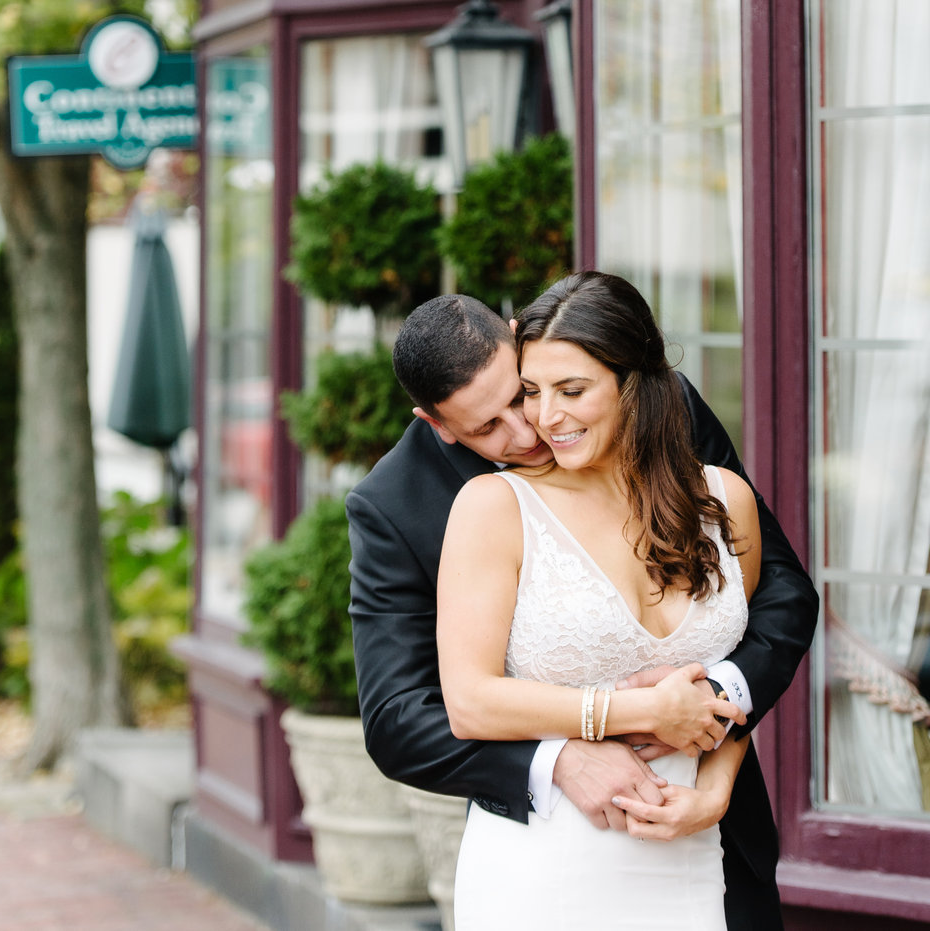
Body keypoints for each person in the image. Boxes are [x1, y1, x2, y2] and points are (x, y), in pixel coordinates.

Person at [346, 281, 819, 931]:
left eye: (524, 393)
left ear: (519, 341)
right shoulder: (398, 506)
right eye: (488, 426)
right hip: (553, 847)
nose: (532, 428)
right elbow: (401, 718)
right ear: (438, 425)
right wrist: (562, 755)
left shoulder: (651, 403)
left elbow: (776, 594)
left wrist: (717, 707)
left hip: (711, 834)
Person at [439, 270, 763, 929]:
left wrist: (716, 792)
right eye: (532, 391)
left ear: (632, 384)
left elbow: (735, 682)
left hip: (688, 855)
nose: (544, 417)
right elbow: (470, 701)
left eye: (572, 389)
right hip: (546, 863)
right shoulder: (494, 507)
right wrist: (641, 709)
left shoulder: (727, 500)